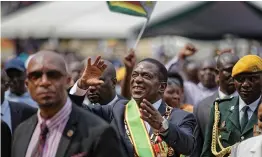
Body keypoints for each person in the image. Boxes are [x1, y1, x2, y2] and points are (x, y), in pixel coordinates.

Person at [70, 52, 197, 157]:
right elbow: (73, 111)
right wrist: (81, 85)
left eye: (146, 76)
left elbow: (188, 147)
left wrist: (163, 126)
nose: (137, 79)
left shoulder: (182, 117)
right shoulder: (116, 110)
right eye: (135, 75)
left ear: (162, 87)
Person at [11, 51, 125, 157]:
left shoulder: (98, 132)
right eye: (36, 76)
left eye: (52, 75)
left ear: (67, 80)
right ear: (27, 84)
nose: (44, 82)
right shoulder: (21, 132)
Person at [201, 55, 262, 157]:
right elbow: (207, 152)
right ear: (234, 81)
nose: (246, 84)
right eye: (240, 79)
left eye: (252, 79)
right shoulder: (220, 108)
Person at [194, 52, 239, 139]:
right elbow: (197, 148)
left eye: (237, 70)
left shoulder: (250, 104)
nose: (233, 75)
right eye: (229, 70)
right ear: (218, 73)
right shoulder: (201, 107)